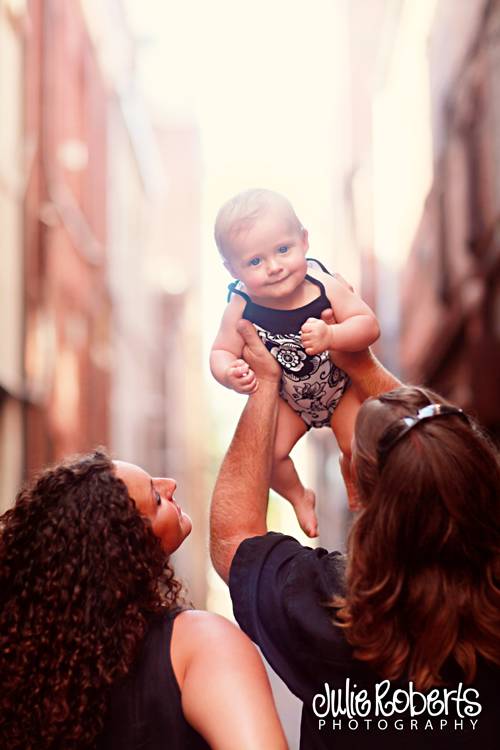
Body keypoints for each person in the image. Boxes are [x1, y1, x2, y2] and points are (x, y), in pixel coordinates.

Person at [210, 320, 500, 749]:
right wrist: (359, 362)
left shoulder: (332, 603)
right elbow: (433, 456)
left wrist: (266, 386)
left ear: (357, 488)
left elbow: (234, 536)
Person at [0, 450, 287, 750]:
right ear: (127, 550)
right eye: (157, 499)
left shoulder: (26, 672)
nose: (171, 484)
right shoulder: (203, 645)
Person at [210, 188, 379, 537]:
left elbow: (368, 325)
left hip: (339, 389)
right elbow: (220, 352)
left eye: (283, 250)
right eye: (255, 262)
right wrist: (229, 372)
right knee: (267, 457)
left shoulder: (323, 285)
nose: (274, 267)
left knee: (359, 446)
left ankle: (351, 473)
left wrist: (333, 337)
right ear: (232, 269)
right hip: (291, 402)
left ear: (303, 241)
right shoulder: (241, 305)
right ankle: (300, 496)